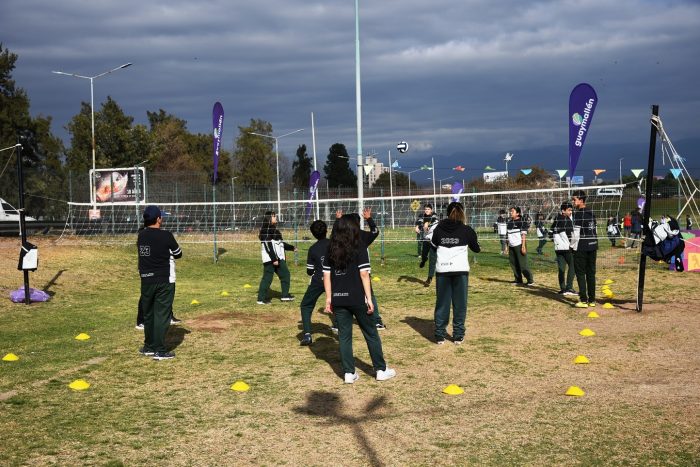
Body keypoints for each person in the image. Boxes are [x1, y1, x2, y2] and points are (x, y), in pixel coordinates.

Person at [323, 215, 396, 384]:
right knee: (371, 333)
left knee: (344, 337)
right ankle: (380, 370)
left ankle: (349, 373)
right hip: (358, 299)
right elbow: (364, 274)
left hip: (338, 300)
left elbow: (326, 276)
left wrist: (328, 299)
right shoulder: (360, 247)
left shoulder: (330, 249)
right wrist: (369, 299)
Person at [430, 202, 480, 345]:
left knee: (442, 303)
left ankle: (439, 335)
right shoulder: (467, 230)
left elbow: (433, 247)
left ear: (447, 213)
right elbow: (476, 249)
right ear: (462, 213)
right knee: (460, 304)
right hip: (460, 271)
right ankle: (458, 335)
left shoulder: (438, 229)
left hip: (443, 271)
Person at [137, 205, 182, 360]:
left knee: (148, 314)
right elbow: (178, 254)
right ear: (158, 219)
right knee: (162, 314)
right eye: (161, 216)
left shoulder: (141, 235)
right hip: (164, 280)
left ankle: (148, 346)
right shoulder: (166, 236)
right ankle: (160, 350)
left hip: (146, 279)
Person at [334, 208, 386, 329]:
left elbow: (333, 233)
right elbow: (375, 231)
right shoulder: (360, 235)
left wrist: (337, 221)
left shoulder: (343, 235)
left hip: (345, 272)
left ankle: (339, 323)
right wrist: (369, 219)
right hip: (359, 271)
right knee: (368, 294)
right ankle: (376, 320)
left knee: (343, 294)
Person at [299, 220, 330, 346]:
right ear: (327, 230)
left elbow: (309, 270)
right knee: (339, 304)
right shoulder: (334, 244)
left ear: (313, 234)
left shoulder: (313, 249)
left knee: (306, 305)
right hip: (335, 280)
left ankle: (307, 334)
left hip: (318, 280)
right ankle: (339, 327)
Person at [257, 211, 297, 304]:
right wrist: (274, 259)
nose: (276, 218)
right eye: (274, 216)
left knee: (285, 274)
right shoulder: (265, 231)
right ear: (269, 219)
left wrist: (291, 248)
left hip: (279, 259)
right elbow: (267, 245)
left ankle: (285, 296)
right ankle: (261, 299)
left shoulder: (275, 230)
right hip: (270, 259)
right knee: (267, 278)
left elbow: (280, 244)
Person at [571, 190, 598, 308]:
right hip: (593, 246)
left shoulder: (578, 214)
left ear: (581, 200)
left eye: (574, 199)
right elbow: (595, 230)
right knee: (591, 273)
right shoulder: (591, 213)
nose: (572, 201)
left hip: (581, 247)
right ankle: (592, 300)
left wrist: (572, 247)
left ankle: (583, 300)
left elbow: (575, 234)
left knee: (581, 273)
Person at [551, 202, 576, 296]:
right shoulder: (567, 220)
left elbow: (550, 233)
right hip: (567, 248)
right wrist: (573, 246)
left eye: (571, 210)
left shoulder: (556, 219)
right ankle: (569, 287)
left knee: (561, 269)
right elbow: (572, 235)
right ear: (563, 211)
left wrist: (556, 241)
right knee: (573, 266)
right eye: (569, 210)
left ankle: (562, 289)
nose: (571, 212)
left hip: (558, 249)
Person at [506, 206, 534, 285]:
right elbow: (508, 235)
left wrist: (523, 246)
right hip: (511, 246)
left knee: (523, 264)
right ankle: (518, 280)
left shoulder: (521, 222)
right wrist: (507, 246)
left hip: (519, 245)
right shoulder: (510, 222)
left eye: (513, 211)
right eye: (511, 211)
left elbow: (523, 235)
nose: (511, 213)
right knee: (513, 263)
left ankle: (530, 280)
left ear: (517, 213)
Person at [419, 203, 439, 286]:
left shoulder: (435, 216)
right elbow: (419, 222)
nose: (426, 210)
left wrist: (427, 224)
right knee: (424, 254)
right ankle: (423, 260)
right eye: (425, 209)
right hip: (426, 239)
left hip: (434, 240)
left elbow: (434, 221)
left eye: (428, 209)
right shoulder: (422, 216)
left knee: (432, 258)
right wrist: (417, 227)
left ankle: (429, 278)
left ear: (431, 210)